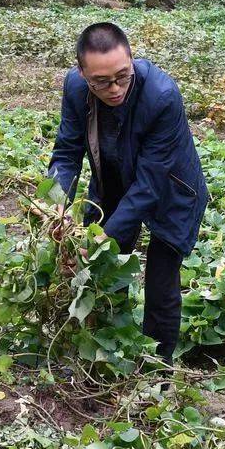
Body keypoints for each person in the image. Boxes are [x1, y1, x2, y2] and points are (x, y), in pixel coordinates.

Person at [48, 22, 208, 363]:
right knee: (103, 268)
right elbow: (67, 151)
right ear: (82, 73)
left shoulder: (161, 96)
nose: (115, 88)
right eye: (101, 82)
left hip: (171, 189)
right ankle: (107, 350)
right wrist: (56, 204)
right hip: (114, 180)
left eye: (123, 76)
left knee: (160, 285)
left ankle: (156, 371)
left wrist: (101, 236)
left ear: (132, 60)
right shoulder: (76, 89)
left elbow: (149, 185)